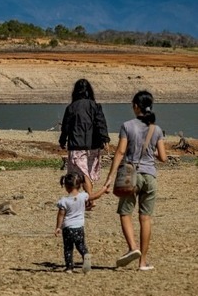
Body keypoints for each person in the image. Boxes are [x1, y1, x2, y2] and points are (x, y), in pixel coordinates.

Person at [103, 90, 167, 270]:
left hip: (131, 176)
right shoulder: (157, 129)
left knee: (125, 213)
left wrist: (110, 177)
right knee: (145, 218)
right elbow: (163, 157)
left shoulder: (127, 126)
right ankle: (143, 262)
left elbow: (121, 152)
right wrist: (151, 151)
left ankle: (133, 247)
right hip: (150, 176)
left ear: (136, 106)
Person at [58, 78, 111, 210]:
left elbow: (66, 126)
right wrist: (105, 139)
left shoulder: (71, 107)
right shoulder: (95, 106)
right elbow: (101, 123)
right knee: (87, 174)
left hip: (77, 144)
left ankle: (90, 199)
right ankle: (89, 201)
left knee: (83, 174)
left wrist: (62, 140)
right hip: (93, 145)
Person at [54, 172, 105, 273]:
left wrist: (58, 227)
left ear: (66, 187)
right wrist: (103, 189)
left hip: (68, 228)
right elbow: (94, 196)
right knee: (81, 245)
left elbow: (61, 215)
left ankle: (69, 267)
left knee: (68, 248)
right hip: (79, 227)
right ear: (80, 185)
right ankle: (85, 255)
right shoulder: (83, 196)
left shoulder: (64, 201)